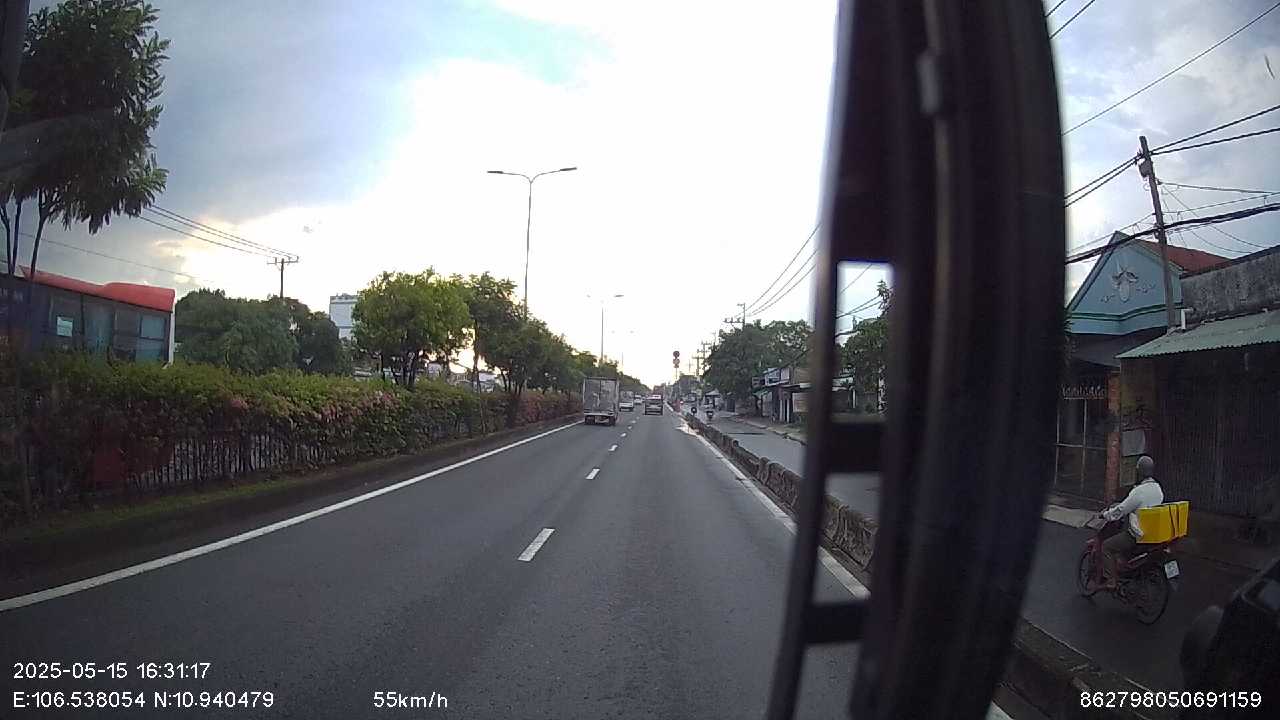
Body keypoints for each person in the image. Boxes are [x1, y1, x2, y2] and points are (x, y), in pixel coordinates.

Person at [1100, 455, 1164, 583]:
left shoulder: (1139, 491)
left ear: (1139, 471)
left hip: (1138, 535)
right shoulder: (1158, 488)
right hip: (1152, 533)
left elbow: (1121, 510)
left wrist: (1106, 515)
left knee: (1106, 546)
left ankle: (1111, 580)